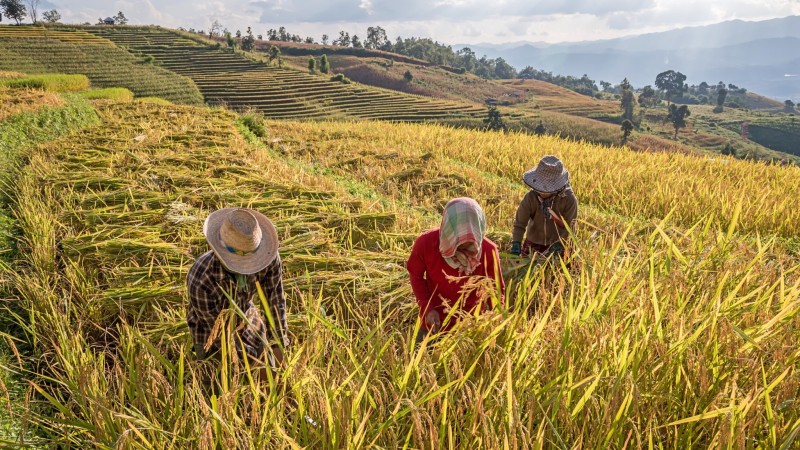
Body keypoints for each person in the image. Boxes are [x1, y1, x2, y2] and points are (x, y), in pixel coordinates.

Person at [187, 207, 289, 373]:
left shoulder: (267, 259)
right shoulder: (202, 278)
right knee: (218, 386)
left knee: (272, 373)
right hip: (210, 335)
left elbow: (275, 302)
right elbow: (221, 336)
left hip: (248, 319)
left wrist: (277, 345)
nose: (248, 268)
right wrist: (257, 367)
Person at [407, 197, 505, 345]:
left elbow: (495, 290)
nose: (464, 247)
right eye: (458, 242)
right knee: (420, 363)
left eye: (469, 243)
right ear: (448, 229)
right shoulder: (426, 243)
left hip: (471, 327)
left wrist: (494, 320)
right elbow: (416, 276)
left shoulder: (488, 251)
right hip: (434, 321)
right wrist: (427, 307)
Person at [510, 155, 578, 259]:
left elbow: (570, 227)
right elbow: (520, 223)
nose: (541, 191)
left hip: (559, 245)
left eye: (545, 189)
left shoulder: (568, 199)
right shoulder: (530, 198)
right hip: (534, 244)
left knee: (556, 273)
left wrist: (560, 244)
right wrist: (516, 242)